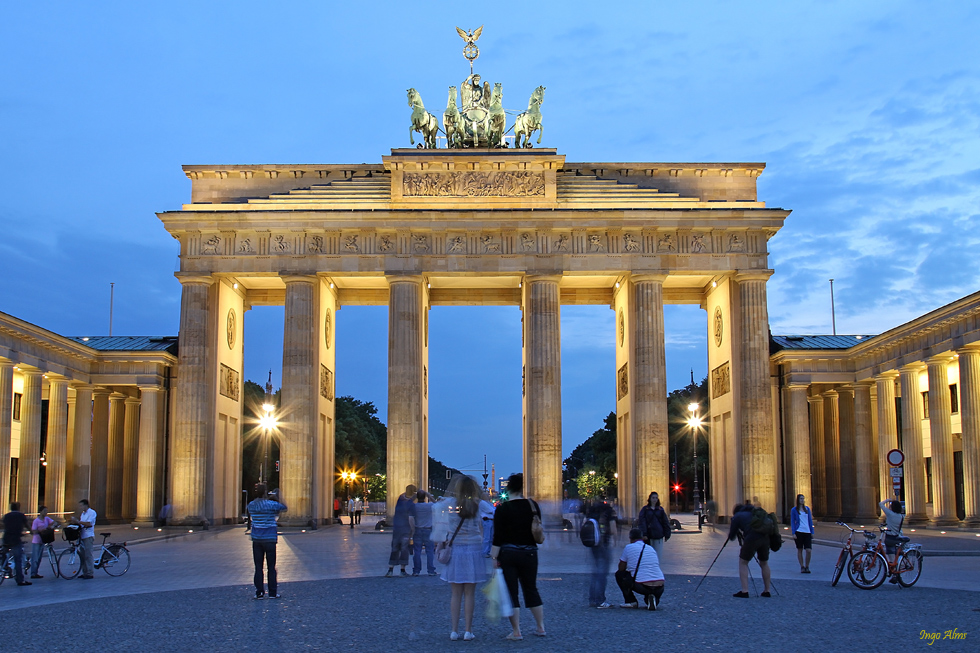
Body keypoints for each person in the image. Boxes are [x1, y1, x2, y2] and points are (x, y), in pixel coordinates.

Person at [492, 473, 546, 640]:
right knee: (531, 589)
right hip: (529, 552)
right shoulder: (532, 505)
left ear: (508, 489)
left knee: (511, 593)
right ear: (523, 487)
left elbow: (498, 537)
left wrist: (494, 558)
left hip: (508, 554)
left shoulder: (502, 508)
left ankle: (516, 631)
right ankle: (540, 627)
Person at [440, 475, 487, 641]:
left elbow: (435, 510)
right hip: (473, 550)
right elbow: (495, 513)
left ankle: (454, 631)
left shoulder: (450, 504)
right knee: (469, 593)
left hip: (456, 551)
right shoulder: (478, 504)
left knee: (455, 593)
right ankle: (468, 631)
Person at [247, 484, 287, 599]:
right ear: (265, 492)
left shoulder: (251, 505)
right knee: (271, 567)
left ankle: (259, 592)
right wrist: (277, 497)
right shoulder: (271, 504)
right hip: (270, 539)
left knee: (258, 567)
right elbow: (283, 507)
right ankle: (272, 593)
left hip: (257, 539)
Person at [728, 502, 772, 598]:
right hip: (765, 537)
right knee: (764, 563)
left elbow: (731, 536)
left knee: (743, 562)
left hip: (752, 538)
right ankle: (767, 590)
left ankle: (745, 591)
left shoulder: (738, 516)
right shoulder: (754, 512)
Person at [615, 528, 666, 610]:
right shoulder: (650, 548)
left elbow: (621, 568)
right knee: (650, 584)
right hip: (660, 585)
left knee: (619, 575)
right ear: (642, 538)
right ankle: (653, 599)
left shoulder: (629, 547)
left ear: (630, 538)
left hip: (642, 586)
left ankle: (631, 601)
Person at [585, 496, 618, 608]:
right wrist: (616, 541)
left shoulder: (592, 510)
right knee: (602, 573)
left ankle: (592, 599)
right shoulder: (609, 511)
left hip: (594, 543)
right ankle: (600, 600)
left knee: (596, 572)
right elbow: (613, 530)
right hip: (604, 543)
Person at [385, 484, 417, 577]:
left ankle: (390, 569)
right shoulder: (411, 504)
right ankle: (402, 570)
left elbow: (406, 494)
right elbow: (411, 519)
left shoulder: (400, 499)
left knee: (394, 548)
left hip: (396, 528)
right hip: (405, 529)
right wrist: (413, 529)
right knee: (404, 549)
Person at [2, 502, 30, 586]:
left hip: (6, 538)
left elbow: (4, 525)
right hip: (15, 539)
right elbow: (27, 526)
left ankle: (5, 567)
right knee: (18, 560)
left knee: (4, 553)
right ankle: (20, 580)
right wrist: (32, 532)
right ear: (18, 507)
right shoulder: (21, 515)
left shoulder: (6, 516)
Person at [68, 499, 97, 579]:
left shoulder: (92, 512)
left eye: (81, 505)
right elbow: (81, 524)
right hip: (82, 536)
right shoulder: (83, 514)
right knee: (82, 555)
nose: (80, 507)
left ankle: (90, 573)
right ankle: (85, 572)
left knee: (88, 555)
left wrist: (78, 521)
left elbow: (89, 523)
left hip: (88, 536)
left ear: (85, 505)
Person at [636, 491, 671, 559]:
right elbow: (642, 522)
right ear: (650, 499)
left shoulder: (660, 510)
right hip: (649, 535)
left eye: (656, 498)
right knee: (648, 555)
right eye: (653, 498)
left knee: (658, 555)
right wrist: (644, 534)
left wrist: (667, 534)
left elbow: (665, 522)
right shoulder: (645, 509)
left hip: (658, 534)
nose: (655, 499)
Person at [29, 505, 58, 579]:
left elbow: (54, 522)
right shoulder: (36, 521)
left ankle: (36, 572)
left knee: (39, 558)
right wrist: (40, 530)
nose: (46, 512)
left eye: (46, 511)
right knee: (35, 558)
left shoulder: (47, 519)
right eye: (44, 511)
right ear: (40, 512)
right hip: (36, 541)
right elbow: (34, 531)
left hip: (43, 540)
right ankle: (33, 573)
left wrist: (52, 526)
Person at [879, 498, 905, 581]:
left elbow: (880, 504)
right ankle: (896, 572)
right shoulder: (901, 516)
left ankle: (895, 574)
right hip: (897, 537)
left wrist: (888, 500)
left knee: (891, 557)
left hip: (890, 537)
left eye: (890, 506)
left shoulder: (890, 514)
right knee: (895, 556)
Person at [413, 490, 437, 577]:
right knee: (430, 551)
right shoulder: (430, 506)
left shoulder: (414, 506)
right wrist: (429, 495)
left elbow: (408, 503)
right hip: (428, 529)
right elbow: (436, 503)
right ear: (424, 497)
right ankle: (431, 570)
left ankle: (416, 570)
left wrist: (414, 496)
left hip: (417, 529)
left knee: (417, 551)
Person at [790, 494, 814, 573]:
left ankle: (807, 566)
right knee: (800, 549)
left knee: (808, 550)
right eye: (801, 499)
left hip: (807, 531)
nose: (802, 500)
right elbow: (793, 522)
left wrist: (812, 531)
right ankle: (802, 566)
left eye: (803, 499)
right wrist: (793, 533)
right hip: (799, 531)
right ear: (798, 500)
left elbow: (810, 521)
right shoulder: (794, 510)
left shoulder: (807, 509)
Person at [479, 493, 495, 557]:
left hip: (491, 520)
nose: (489, 496)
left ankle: (488, 551)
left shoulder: (488, 503)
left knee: (491, 538)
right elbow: (491, 510)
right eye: (487, 495)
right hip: (487, 520)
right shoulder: (482, 502)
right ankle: (485, 552)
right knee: (487, 537)